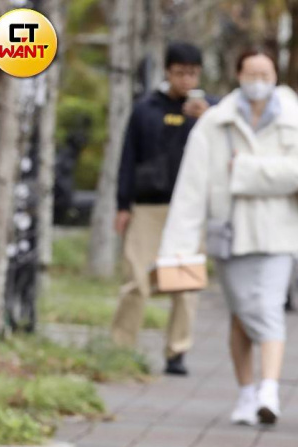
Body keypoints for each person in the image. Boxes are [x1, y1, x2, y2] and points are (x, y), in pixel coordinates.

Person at [158, 50, 298, 425]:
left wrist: (242, 171)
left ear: (275, 74)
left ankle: (269, 390)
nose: (258, 79)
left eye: (265, 72)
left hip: (279, 233)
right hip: (229, 234)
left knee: (269, 307)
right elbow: (191, 188)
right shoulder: (215, 122)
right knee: (241, 315)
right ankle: (247, 391)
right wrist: (177, 246)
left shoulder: (295, 119)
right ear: (239, 74)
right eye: (251, 72)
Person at [112, 42, 213, 376]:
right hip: (147, 205)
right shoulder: (146, 109)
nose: (186, 80)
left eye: (193, 73)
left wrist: (204, 118)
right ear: (168, 72)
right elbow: (128, 158)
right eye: (180, 72)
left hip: (189, 210)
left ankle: (177, 351)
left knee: (186, 284)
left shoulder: (210, 112)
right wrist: (123, 204)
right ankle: (121, 347)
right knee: (136, 281)